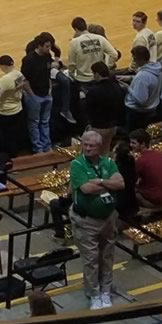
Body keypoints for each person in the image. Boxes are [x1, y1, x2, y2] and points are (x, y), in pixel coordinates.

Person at [68, 130, 124, 308]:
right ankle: (94, 293)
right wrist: (107, 184)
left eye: (91, 146)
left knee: (107, 256)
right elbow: (85, 189)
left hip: (108, 218)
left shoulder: (108, 162)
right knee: (91, 260)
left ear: (99, 147)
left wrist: (99, 181)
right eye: (85, 145)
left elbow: (120, 184)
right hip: (86, 221)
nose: (87, 148)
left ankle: (106, 290)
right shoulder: (77, 164)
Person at [0, 54, 27, 157]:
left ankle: (10, 157)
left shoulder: (5, 80)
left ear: (4, 66)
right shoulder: (19, 74)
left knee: (7, 136)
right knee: (14, 135)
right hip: (17, 108)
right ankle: (15, 153)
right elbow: (12, 87)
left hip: (6, 112)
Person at [124, 45, 162, 129]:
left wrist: (127, 88)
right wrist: (130, 78)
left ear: (139, 59)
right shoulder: (156, 69)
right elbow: (149, 82)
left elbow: (141, 100)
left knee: (135, 135)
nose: (133, 60)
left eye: (134, 57)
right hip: (151, 108)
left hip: (138, 113)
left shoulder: (142, 76)